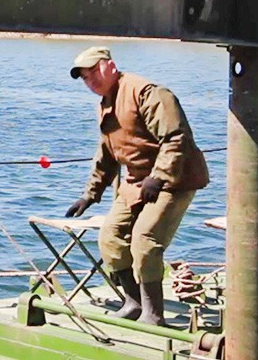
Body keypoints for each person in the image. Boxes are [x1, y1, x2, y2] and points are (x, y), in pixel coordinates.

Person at [63, 46, 208, 326]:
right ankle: (134, 302)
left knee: (145, 239)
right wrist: (90, 195)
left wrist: (159, 176)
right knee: (110, 237)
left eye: (94, 72)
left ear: (111, 66)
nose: (91, 80)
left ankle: (154, 314)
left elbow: (176, 138)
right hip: (137, 180)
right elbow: (107, 153)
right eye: (84, 77)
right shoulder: (105, 102)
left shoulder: (147, 93)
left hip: (175, 179)